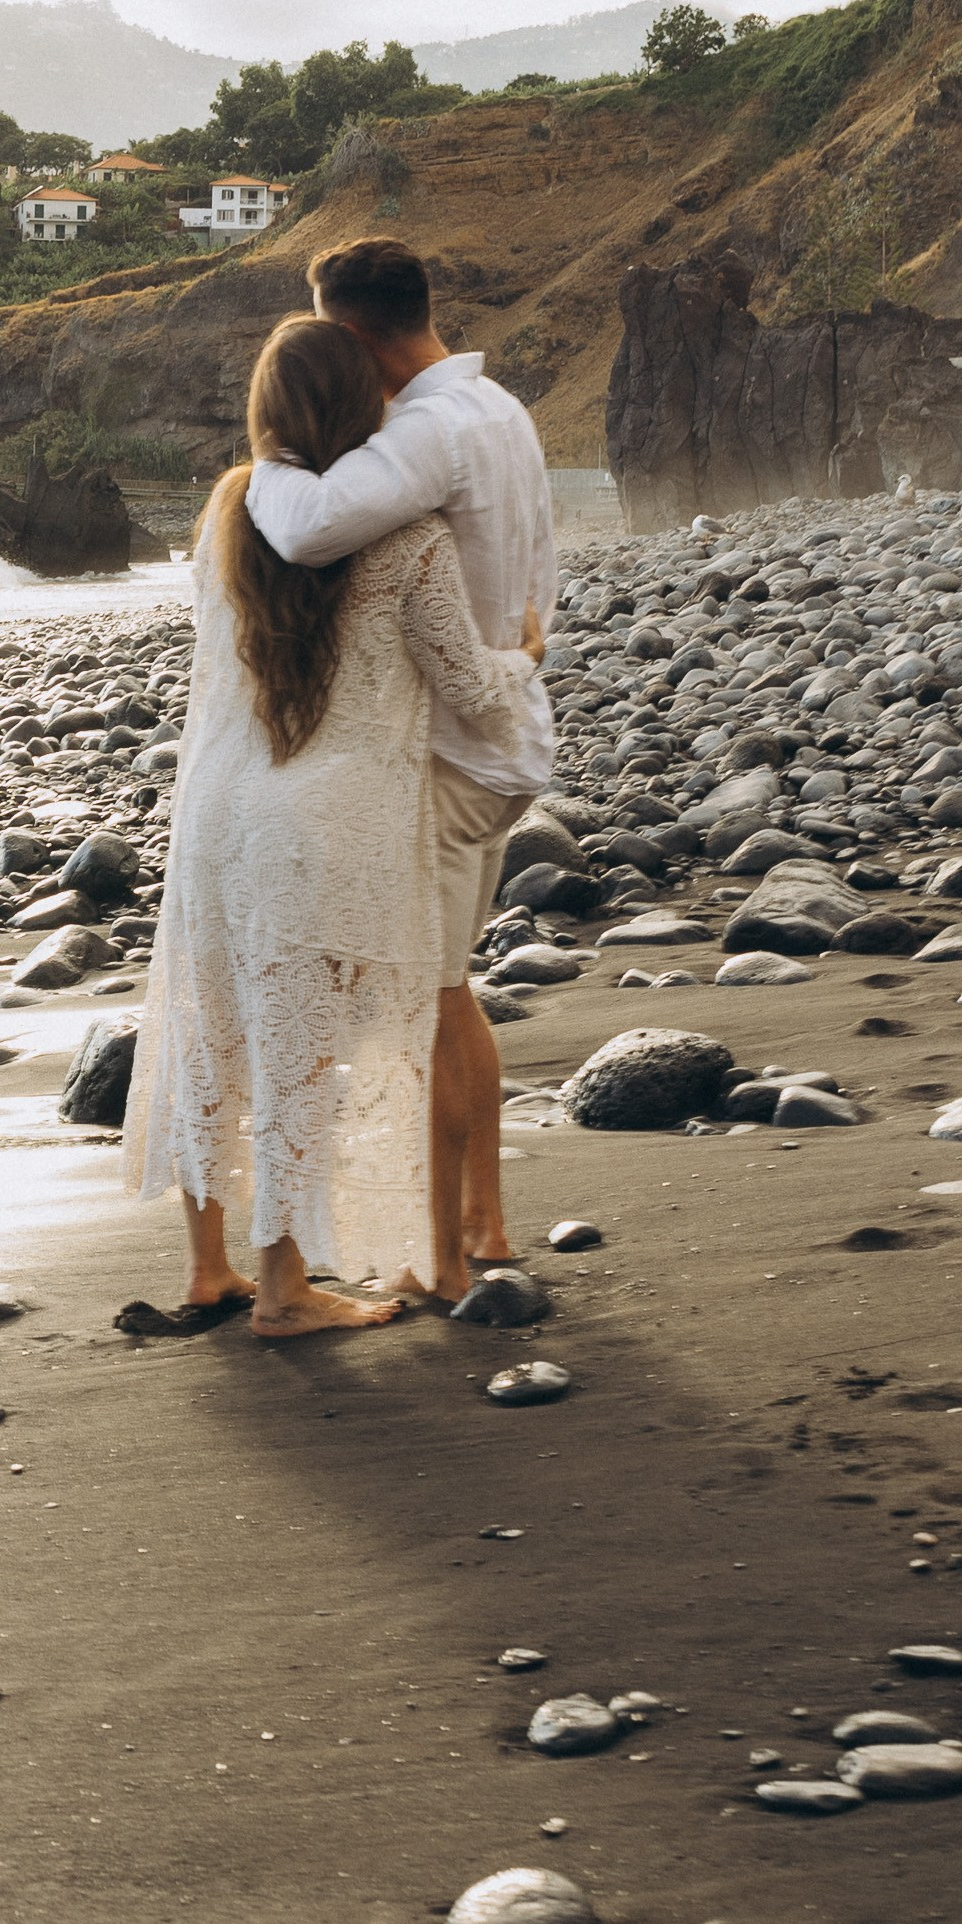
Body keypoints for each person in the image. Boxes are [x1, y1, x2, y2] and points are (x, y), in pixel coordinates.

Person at [122, 313, 544, 1336]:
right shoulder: (408, 539)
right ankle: (283, 1291)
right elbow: (464, 682)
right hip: (327, 817)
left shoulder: (227, 508)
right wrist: (525, 653)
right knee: (299, 1048)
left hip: (219, 802)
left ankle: (206, 1269)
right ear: (369, 409)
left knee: (213, 1030)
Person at [244, 240, 556, 1304]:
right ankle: (485, 1222)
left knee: (425, 1002)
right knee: (449, 991)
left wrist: (267, 456)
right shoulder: (500, 411)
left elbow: (306, 528)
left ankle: (447, 1253)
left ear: (353, 333)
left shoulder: (425, 429)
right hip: (506, 732)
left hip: (451, 749)